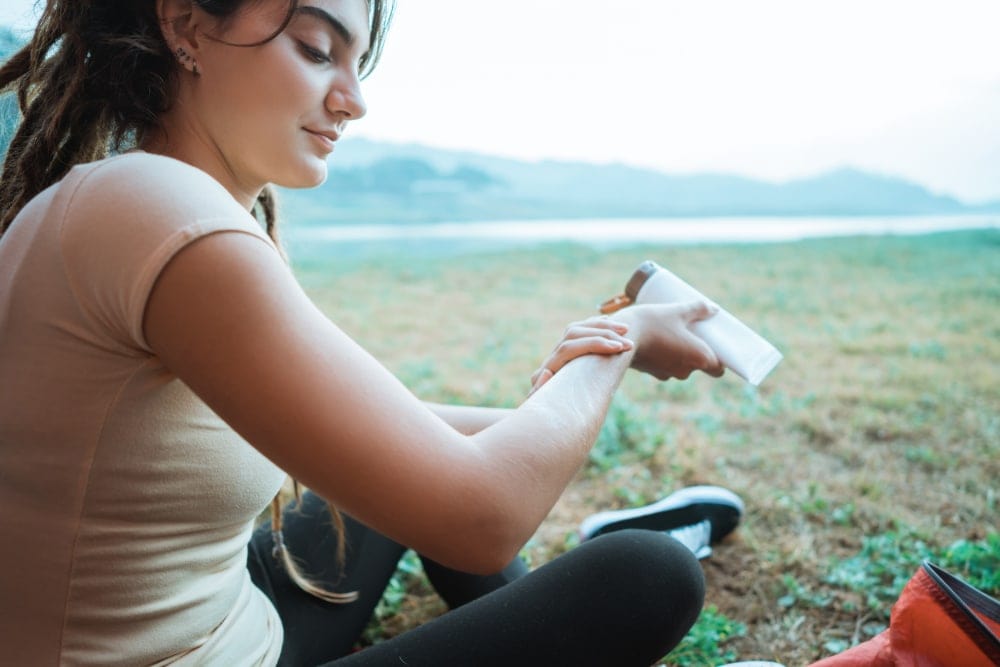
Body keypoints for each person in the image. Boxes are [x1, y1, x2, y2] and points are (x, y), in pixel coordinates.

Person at [0, 1, 730, 664]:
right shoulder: (163, 212)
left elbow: (382, 434)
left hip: (230, 620)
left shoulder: (132, 196)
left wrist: (541, 425)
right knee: (647, 574)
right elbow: (482, 518)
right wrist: (620, 338)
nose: (353, 101)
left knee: (403, 479)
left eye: (357, 64)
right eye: (318, 50)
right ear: (186, 24)